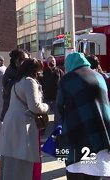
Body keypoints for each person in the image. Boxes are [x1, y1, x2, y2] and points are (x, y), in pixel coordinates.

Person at [56, 52, 110, 180]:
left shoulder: (67, 79)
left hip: (75, 133)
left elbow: (59, 107)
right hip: (100, 133)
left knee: (75, 172)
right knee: (95, 172)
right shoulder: (99, 76)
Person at [0, 58, 49, 180]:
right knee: (22, 157)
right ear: (34, 70)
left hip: (12, 122)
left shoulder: (18, 81)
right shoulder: (29, 82)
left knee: (11, 156)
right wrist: (46, 107)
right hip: (24, 123)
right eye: (39, 70)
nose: (40, 73)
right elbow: (35, 106)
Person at [0, 48, 29, 121]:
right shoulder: (11, 73)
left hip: (23, 114)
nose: (28, 62)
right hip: (14, 116)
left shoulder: (24, 72)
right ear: (17, 61)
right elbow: (8, 91)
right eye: (25, 59)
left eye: (28, 59)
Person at [41, 56, 64, 127]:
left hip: (56, 98)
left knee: (57, 117)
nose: (52, 63)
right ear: (47, 63)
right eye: (50, 61)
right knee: (44, 116)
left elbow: (63, 83)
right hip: (46, 98)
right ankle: (43, 129)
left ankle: (57, 131)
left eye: (53, 61)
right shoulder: (44, 72)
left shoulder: (60, 72)